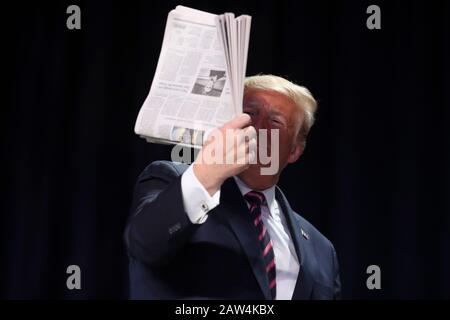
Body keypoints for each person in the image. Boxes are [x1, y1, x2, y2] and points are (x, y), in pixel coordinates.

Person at [124, 75, 342, 299]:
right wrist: (206, 175)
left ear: (295, 150)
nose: (257, 127)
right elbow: (144, 245)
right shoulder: (172, 179)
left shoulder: (322, 249)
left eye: (275, 121)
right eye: (250, 114)